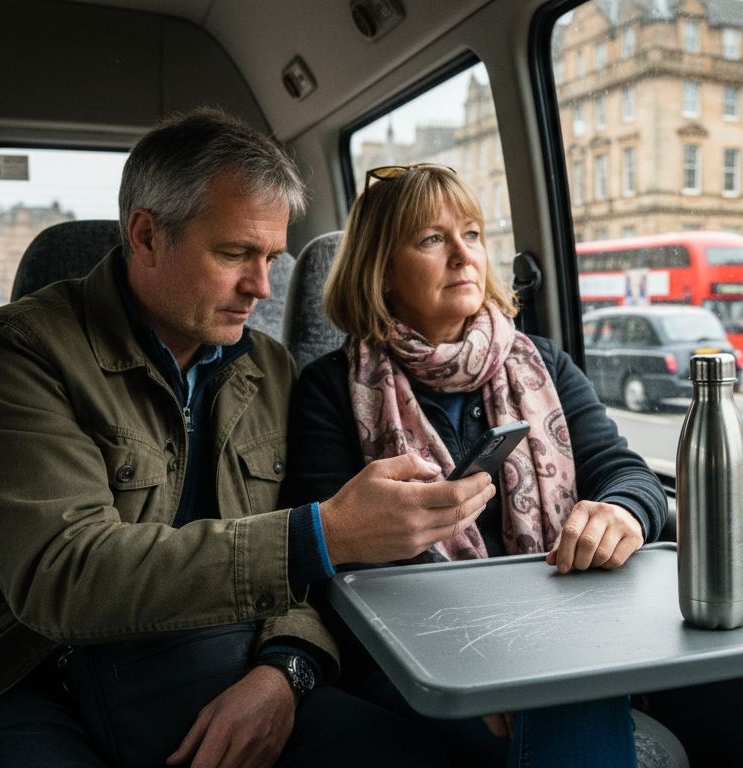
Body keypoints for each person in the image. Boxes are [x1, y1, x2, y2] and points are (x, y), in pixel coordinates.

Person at [0, 110, 498, 768]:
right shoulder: (15, 354)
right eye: (234, 255)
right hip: (27, 676)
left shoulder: (271, 370)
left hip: (224, 659)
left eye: (271, 258)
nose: (262, 287)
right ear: (147, 236)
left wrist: (284, 670)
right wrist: (321, 535)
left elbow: (307, 587)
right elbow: (65, 576)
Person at [282, 163, 668, 767]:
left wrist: (621, 512)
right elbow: (330, 568)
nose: (464, 256)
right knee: (568, 695)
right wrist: (472, 657)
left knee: (567, 684)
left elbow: (627, 473)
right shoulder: (329, 389)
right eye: (432, 239)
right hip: (411, 654)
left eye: (472, 234)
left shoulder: (541, 362)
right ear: (381, 270)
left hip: (550, 633)